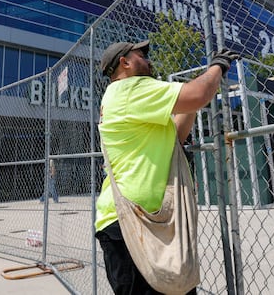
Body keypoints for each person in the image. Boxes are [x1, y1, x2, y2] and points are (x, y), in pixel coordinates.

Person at [95, 40, 239, 294]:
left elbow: (177, 134)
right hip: (129, 223)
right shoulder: (131, 89)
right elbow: (198, 94)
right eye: (141, 54)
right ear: (124, 62)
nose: (149, 60)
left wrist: (192, 98)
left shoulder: (126, 98)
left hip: (136, 220)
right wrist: (218, 66)